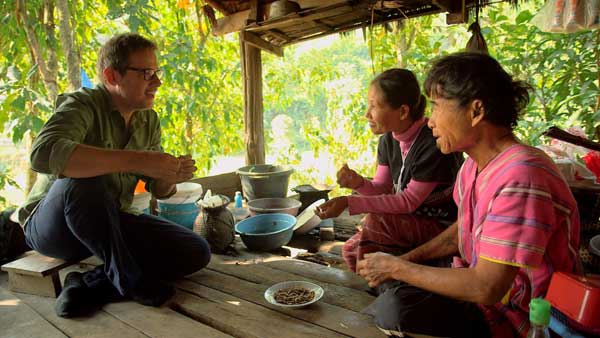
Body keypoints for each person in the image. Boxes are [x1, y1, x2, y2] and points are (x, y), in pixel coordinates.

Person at [356, 52, 582, 338]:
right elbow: (460, 233)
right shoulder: (472, 166)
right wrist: (406, 261)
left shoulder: (522, 175)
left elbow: (487, 287)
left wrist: (398, 268)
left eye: (437, 106)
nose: (430, 121)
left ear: (476, 111)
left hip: (519, 315)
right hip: (483, 290)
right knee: (391, 281)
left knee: (397, 308)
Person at [14, 33, 211, 317]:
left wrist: (169, 174)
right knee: (81, 180)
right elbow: (43, 153)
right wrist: (138, 160)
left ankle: (88, 283)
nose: (157, 82)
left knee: (194, 251)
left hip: (108, 227)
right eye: (146, 73)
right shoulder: (82, 105)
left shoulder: (148, 119)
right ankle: (129, 279)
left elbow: (161, 190)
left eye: (156, 72)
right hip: (54, 229)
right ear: (111, 75)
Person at [315, 69, 463, 271]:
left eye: (374, 106)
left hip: (443, 229)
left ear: (403, 111)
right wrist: (358, 183)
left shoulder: (432, 143)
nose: (367, 113)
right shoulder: (388, 139)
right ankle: (390, 270)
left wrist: (349, 202)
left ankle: (398, 276)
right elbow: (382, 188)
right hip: (411, 220)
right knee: (351, 250)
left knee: (375, 225)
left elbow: (408, 202)